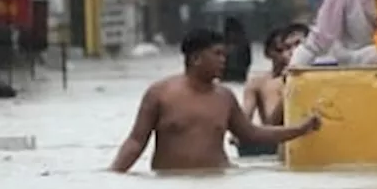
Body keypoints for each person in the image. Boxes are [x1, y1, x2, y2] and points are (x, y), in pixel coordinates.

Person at [109, 28, 321, 174]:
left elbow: (253, 133)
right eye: (217, 54)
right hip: (171, 187)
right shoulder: (160, 94)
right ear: (195, 59)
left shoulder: (224, 97)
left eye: (224, 54)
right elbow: (136, 142)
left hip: (217, 184)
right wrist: (112, 175)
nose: (224, 60)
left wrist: (301, 129)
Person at [236, 23, 309, 156]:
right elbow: (266, 124)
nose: (290, 53)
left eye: (298, 46)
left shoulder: (320, 78)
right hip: (276, 143)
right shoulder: (259, 83)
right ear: (268, 53)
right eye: (284, 48)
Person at [222, 16, 251, 82]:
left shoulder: (243, 44)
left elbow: (247, 61)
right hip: (226, 76)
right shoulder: (223, 43)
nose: (232, 34)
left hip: (239, 75)